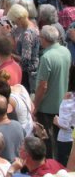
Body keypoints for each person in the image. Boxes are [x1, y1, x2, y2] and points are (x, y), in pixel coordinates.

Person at [35, 25, 72, 159]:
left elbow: (42, 86)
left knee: (48, 141)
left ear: (44, 39)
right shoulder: (65, 51)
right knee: (60, 139)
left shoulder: (47, 57)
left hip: (47, 107)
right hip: (62, 103)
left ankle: (51, 165)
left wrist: (35, 106)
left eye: (40, 37)